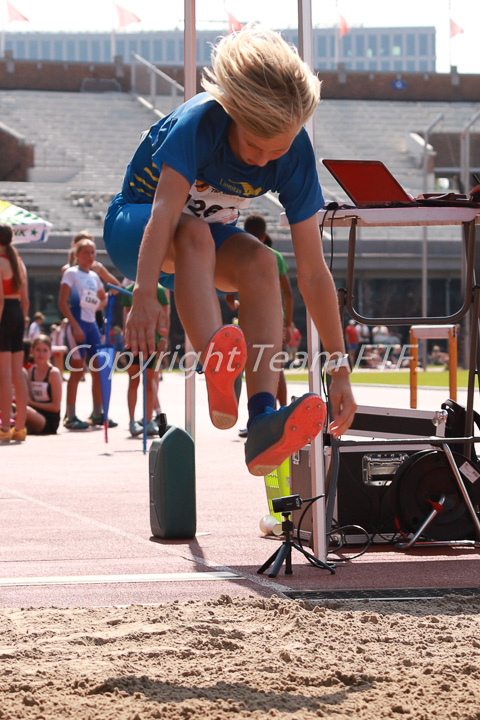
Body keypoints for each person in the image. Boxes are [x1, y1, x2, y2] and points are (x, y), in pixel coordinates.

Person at [103, 26, 356, 476]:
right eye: (253, 144)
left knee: (261, 260)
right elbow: (164, 212)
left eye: (274, 149)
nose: (262, 160)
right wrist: (143, 295)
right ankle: (216, 363)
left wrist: (339, 370)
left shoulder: (295, 154)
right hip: (137, 230)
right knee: (194, 232)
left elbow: (315, 275)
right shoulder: (200, 122)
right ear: (233, 112)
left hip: (202, 247)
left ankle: (259, 419)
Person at [226, 213, 293, 436]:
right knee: (275, 368)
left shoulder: (239, 255)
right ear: (264, 235)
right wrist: (288, 325)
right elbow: (289, 294)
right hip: (273, 320)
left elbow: (229, 298)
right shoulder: (274, 256)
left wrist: (237, 303)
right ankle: (281, 414)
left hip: (249, 320)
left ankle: (257, 416)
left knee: (252, 368)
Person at [61, 232, 119, 427]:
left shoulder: (94, 276)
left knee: (97, 371)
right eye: (86, 253)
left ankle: (97, 413)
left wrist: (99, 305)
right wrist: (75, 325)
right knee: (77, 372)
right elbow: (62, 303)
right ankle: (70, 415)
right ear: (77, 254)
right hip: (77, 325)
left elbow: (104, 296)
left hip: (92, 325)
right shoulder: (70, 273)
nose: (91, 256)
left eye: (93, 253)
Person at [121, 281, 169, 436]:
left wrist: (163, 339)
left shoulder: (160, 291)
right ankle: (132, 421)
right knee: (133, 380)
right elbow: (126, 317)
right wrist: (126, 338)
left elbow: (165, 316)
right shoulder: (130, 290)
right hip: (133, 342)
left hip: (151, 342)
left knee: (150, 382)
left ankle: (148, 420)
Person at [0, 223, 29, 442]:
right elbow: (26, 300)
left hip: (5, 314)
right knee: (17, 373)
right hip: (18, 312)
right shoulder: (19, 262)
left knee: (4, 375)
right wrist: (22, 320)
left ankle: (5, 428)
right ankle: (20, 427)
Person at [24, 334, 62, 435]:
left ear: (50, 353)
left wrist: (31, 403)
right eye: (38, 350)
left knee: (24, 409)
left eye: (45, 350)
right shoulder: (31, 371)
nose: (41, 354)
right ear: (32, 351)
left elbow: (56, 407)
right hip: (33, 412)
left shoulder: (53, 373)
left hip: (48, 420)